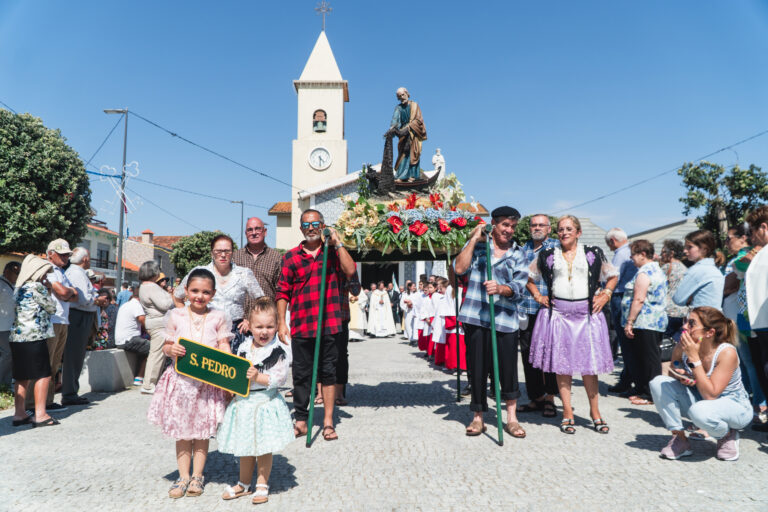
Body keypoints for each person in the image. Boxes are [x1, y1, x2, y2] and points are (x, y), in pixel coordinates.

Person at [528, 215, 618, 434]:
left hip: (586, 314)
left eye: (569, 229)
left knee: (590, 367)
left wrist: (606, 294)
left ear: (578, 232)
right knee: (562, 366)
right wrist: (539, 296)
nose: (564, 232)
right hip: (558, 314)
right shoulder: (548, 254)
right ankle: (567, 412)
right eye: (560, 229)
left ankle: (594, 412)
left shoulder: (593, 253)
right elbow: (529, 278)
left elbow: (613, 276)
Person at [147, 268, 232, 498]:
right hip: (181, 383)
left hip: (207, 385)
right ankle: (183, 476)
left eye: (205, 292)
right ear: (186, 291)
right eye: (194, 291)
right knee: (183, 432)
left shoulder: (218, 317)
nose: (199, 296)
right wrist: (170, 349)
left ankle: (198, 476)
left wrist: (229, 373)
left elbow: (224, 345)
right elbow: (166, 345)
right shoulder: (176, 315)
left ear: (212, 294)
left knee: (202, 432)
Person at [276, 209, 356, 441]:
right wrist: (282, 322)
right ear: (301, 228)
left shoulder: (333, 253)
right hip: (302, 324)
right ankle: (301, 420)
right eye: (307, 224)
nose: (311, 228)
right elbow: (282, 291)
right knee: (301, 375)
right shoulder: (290, 257)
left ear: (322, 226)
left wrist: (338, 242)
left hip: (329, 324)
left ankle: (328, 421)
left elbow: (351, 271)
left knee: (329, 373)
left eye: (316, 223)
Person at [454, 206, 529, 439]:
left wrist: (502, 289)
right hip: (476, 316)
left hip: (505, 320)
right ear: (494, 225)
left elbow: (520, 288)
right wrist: (475, 238)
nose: (509, 230)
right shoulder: (478, 249)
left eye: (513, 226)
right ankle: (478, 418)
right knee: (476, 368)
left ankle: (512, 419)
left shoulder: (518, 253)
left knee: (508, 370)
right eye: (505, 225)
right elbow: (459, 268)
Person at [217, 298, 295, 505]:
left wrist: (257, 377)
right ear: (249, 326)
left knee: (263, 447)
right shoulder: (243, 347)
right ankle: (243, 483)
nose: (264, 332)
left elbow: (279, 378)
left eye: (269, 327)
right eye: (259, 326)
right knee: (245, 445)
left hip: (264, 404)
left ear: (276, 326)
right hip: (243, 403)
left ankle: (262, 483)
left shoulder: (278, 351)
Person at [649, 307, 752, 461]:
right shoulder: (687, 344)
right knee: (659, 383)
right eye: (685, 321)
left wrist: (694, 359)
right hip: (703, 400)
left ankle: (726, 434)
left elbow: (711, 394)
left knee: (700, 411)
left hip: (735, 407)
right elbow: (673, 369)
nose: (684, 327)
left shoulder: (726, 352)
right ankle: (680, 439)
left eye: (691, 324)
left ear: (709, 333)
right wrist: (681, 374)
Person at [176, 235, 264, 355]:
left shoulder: (244, 273)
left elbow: (262, 300)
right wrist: (188, 318)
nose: (223, 255)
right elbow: (177, 296)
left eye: (227, 251)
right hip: (204, 329)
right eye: (219, 251)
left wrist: (250, 320)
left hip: (235, 333)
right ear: (212, 252)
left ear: (232, 252)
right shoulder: (200, 272)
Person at [517, 214, 559, 417]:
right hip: (524, 310)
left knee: (549, 355)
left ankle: (551, 398)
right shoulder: (521, 249)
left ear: (549, 229)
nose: (537, 227)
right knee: (527, 355)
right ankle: (536, 398)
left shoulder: (557, 248)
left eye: (541, 225)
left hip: (549, 310)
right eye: (534, 225)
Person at [10, 255, 58, 427]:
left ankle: (19, 414)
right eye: (44, 273)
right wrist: (50, 289)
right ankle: (40, 414)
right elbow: (52, 308)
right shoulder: (37, 287)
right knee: (43, 375)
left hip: (17, 336)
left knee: (22, 377)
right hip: (35, 336)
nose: (45, 277)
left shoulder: (19, 288)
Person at [621, 240, 668, 405]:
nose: (631, 258)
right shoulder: (656, 269)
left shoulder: (645, 272)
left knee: (648, 359)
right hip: (653, 321)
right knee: (643, 357)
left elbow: (639, 298)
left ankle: (650, 394)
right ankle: (642, 388)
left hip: (645, 321)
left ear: (642, 254)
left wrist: (629, 321)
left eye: (633, 254)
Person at [62, 247, 107, 406]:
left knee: (76, 355)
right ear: (85, 259)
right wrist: (98, 301)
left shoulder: (76, 272)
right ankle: (69, 393)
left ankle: (70, 391)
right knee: (74, 355)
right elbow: (83, 298)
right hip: (79, 316)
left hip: (81, 315)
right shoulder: (76, 273)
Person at [42, 239, 79, 411]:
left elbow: (74, 295)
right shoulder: (49, 270)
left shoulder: (61, 272)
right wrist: (69, 292)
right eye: (62, 254)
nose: (65, 257)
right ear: (51, 254)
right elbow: (65, 293)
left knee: (54, 364)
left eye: (67, 255)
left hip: (62, 320)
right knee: (46, 363)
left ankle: (47, 401)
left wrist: (68, 292)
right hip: (53, 320)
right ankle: (36, 403)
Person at [605, 227, 639, 395]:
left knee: (625, 342)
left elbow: (613, 276)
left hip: (620, 296)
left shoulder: (620, 254)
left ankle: (628, 381)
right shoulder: (631, 251)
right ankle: (627, 378)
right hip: (629, 296)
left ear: (613, 241)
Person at [745, 206, 768, 421]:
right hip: (760, 323)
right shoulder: (762, 252)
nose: (751, 238)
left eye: (752, 232)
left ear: (764, 227)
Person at [138, 261, 174, 394]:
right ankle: (149, 384)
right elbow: (164, 305)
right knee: (157, 354)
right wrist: (172, 297)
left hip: (154, 322)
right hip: (158, 323)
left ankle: (151, 382)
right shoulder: (151, 287)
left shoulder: (144, 286)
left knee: (157, 353)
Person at [232, 217, 283, 303]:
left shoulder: (276, 258)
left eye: (257, 229)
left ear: (265, 232)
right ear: (245, 234)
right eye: (250, 230)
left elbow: (281, 292)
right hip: (239, 315)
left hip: (266, 315)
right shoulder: (235, 257)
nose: (254, 233)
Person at [672, 230, 724, 310]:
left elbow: (678, 299)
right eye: (685, 247)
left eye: (689, 247)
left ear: (704, 249)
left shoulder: (696, 270)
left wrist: (689, 298)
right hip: (715, 317)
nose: (685, 251)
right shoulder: (715, 269)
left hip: (700, 318)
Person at [390, 87, 427, 182]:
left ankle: (413, 176)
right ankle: (401, 176)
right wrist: (392, 129)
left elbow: (419, 120)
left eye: (403, 95)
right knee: (404, 154)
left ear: (407, 94)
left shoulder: (415, 105)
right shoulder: (398, 108)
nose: (402, 97)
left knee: (414, 153)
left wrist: (409, 127)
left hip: (414, 133)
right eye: (399, 96)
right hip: (403, 134)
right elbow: (395, 120)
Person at [114, 288, 149, 386]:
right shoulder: (136, 305)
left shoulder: (126, 304)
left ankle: (140, 377)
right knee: (154, 348)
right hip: (129, 339)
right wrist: (152, 332)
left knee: (144, 347)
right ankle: (142, 378)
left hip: (121, 340)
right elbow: (143, 320)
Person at [660, 239, 688, 337]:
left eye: (663, 252)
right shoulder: (685, 268)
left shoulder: (667, 267)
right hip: (682, 312)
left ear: (671, 253)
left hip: (668, 311)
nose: (661, 255)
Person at [0, 261, 21, 388]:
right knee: (7, 354)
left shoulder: (14, 286)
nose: (18, 275)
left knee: (10, 355)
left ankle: (6, 383)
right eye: (17, 272)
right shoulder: (1, 284)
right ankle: (3, 383)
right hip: (2, 326)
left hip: (11, 326)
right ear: (7, 271)